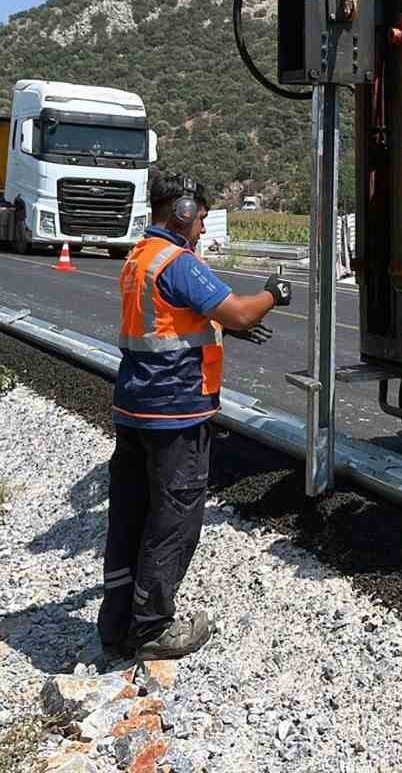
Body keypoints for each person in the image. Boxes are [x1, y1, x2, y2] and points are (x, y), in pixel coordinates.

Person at [98, 169, 291, 661]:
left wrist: (219, 320)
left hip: (135, 409)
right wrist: (273, 294)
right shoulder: (178, 262)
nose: (203, 228)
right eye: (201, 218)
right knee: (174, 521)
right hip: (176, 414)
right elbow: (241, 312)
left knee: (131, 515)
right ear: (182, 214)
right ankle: (153, 629)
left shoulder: (139, 257)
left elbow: (171, 317)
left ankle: (118, 624)